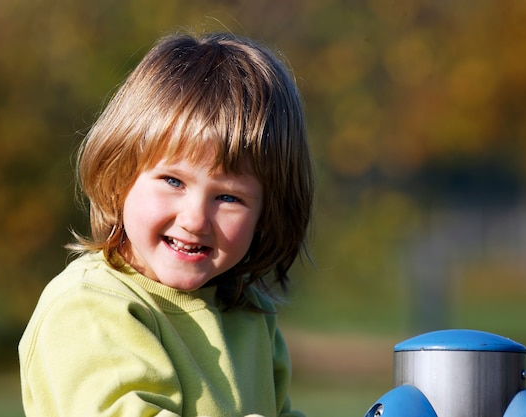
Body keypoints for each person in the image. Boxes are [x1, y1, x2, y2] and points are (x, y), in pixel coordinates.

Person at [19, 31, 313, 417]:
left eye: (229, 198)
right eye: (173, 181)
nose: (194, 220)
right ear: (120, 174)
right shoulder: (89, 307)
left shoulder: (249, 313)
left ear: (266, 214)